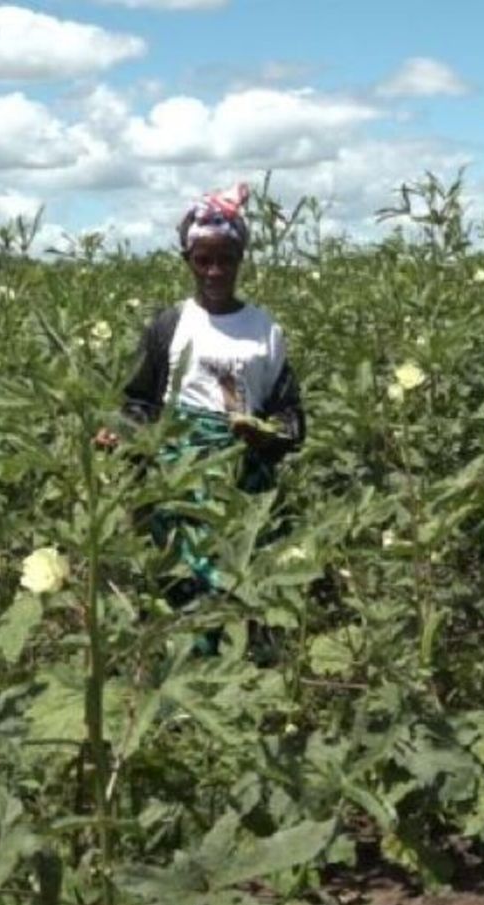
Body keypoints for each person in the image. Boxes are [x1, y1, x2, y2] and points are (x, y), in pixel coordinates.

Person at [95, 182, 305, 603]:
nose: (214, 271)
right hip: (181, 479)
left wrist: (269, 435)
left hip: (244, 479)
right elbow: (139, 401)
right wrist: (120, 433)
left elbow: (290, 413)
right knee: (183, 584)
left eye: (225, 259)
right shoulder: (170, 325)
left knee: (244, 582)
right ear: (187, 260)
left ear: (240, 259)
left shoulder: (266, 330)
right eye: (202, 260)